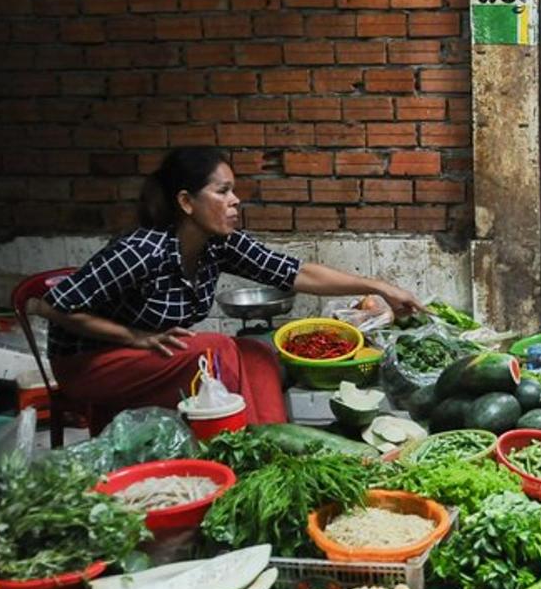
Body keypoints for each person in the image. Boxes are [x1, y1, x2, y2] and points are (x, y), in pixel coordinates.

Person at [32, 147, 423, 425]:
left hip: (149, 357)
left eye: (233, 190)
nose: (236, 201)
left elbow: (299, 274)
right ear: (186, 202)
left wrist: (380, 286)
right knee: (215, 348)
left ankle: (271, 441)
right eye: (223, 191)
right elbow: (51, 305)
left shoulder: (219, 244)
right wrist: (133, 337)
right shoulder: (142, 249)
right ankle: (240, 450)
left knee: (256, 353)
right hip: (91, 364)